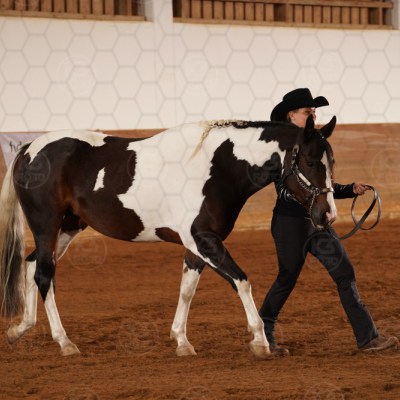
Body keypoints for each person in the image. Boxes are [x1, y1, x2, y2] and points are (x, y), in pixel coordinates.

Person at [260, 88, 399, 356]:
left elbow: (323, 184)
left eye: (314, 111)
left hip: (317, 223)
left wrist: (349, 189)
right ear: (291, 115)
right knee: (287, 278)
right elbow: (283, 189)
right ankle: (264, 334)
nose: (313, 115)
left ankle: (368, 338)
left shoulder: (316, 143)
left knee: (344, 273)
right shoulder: (279, 147)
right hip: (289, 225)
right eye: (307, 111)